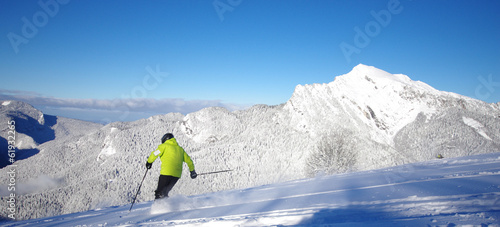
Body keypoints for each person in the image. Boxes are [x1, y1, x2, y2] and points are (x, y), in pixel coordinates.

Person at [146, 133, 197, 199]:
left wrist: (149, 162)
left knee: (159, 193)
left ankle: (158, 208)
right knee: (165, 193)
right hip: (176, 176)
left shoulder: (164, 146)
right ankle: (167, 206)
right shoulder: (180, 149)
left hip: (166, 173)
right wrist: (192, 171)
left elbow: (155, 154)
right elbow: (189, 161)